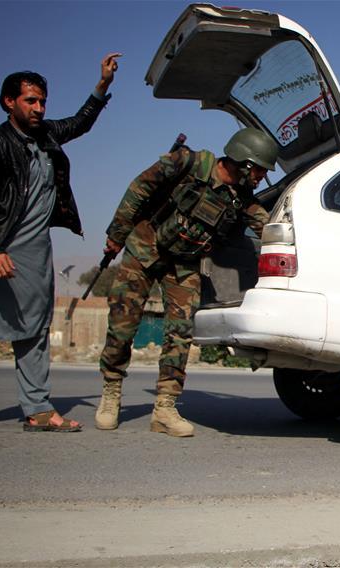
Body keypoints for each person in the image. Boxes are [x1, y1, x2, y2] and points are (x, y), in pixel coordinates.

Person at [0, 53, 122, 431]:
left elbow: (80, 123)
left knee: (34, 328)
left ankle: (37, 408)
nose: (38, 108)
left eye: (42, 102)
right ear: (9, 102)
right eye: (30, 101)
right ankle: (37, 406)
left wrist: (102, 85)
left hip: (35, 253)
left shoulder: (47, 135)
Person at [95, 127, 278, 437]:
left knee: (180, 332)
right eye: (259, 169)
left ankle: (164, 408)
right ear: (244, 162)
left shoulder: (241, 198)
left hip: (184, 263)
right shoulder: (187, 163)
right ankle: (111, 391)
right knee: (122, 324)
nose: (261, 176)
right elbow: (139, 188)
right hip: (144, 248)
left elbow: (266, 225)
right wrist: (116, 234)